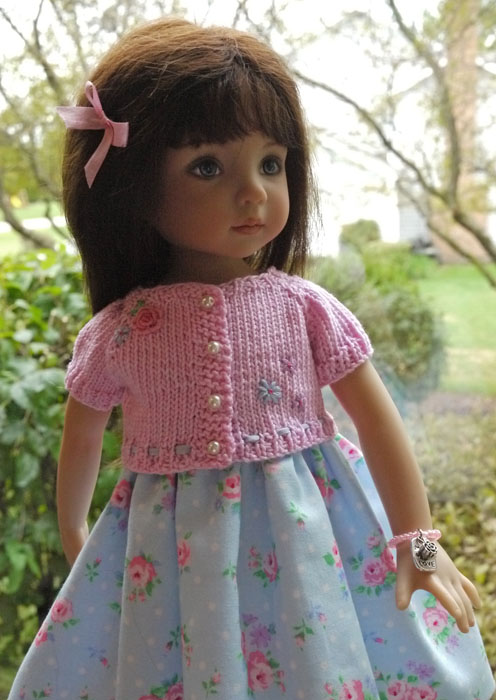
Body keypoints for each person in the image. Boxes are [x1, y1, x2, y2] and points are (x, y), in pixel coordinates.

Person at [8, 17, 495, 700]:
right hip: (172, 554)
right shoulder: (122, 332)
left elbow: (378, 421)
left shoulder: (305, 309)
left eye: (271, 163)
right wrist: (76, 531)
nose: (255, 192)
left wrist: (418, 542)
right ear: (133, 185)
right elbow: (82, 434)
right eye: (208, 167)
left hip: (314, 545)